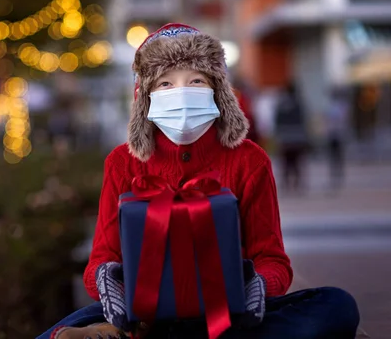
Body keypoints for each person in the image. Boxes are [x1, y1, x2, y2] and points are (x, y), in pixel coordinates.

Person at [37, 24, 359, 339]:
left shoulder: (249, 160)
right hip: (144, 313)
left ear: (217, 91)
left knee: (336, 307)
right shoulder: (122, 163)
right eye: (165, 84)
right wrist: (110, 282)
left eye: (196, 80)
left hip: (230, 312)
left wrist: (257, 286)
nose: (182, 93)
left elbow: (273, 259)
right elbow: (102, 259)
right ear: (145, 95)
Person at [274, 83, 309, 194]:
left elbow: (277, 122)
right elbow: (304, 121)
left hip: (284, 138)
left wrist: (278, 136)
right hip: (298, 137)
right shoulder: (299, 103)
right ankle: (298, 184)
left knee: (286, 163)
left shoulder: (281, 104)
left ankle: (286, 184)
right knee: (297, 162)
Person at [326, 89, 349, 190]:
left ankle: (338, 173)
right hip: (333, 135)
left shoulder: (341, 106)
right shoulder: (333, 106)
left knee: (338, 155)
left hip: (339, 134)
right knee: (334, 156)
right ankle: (335, 174)